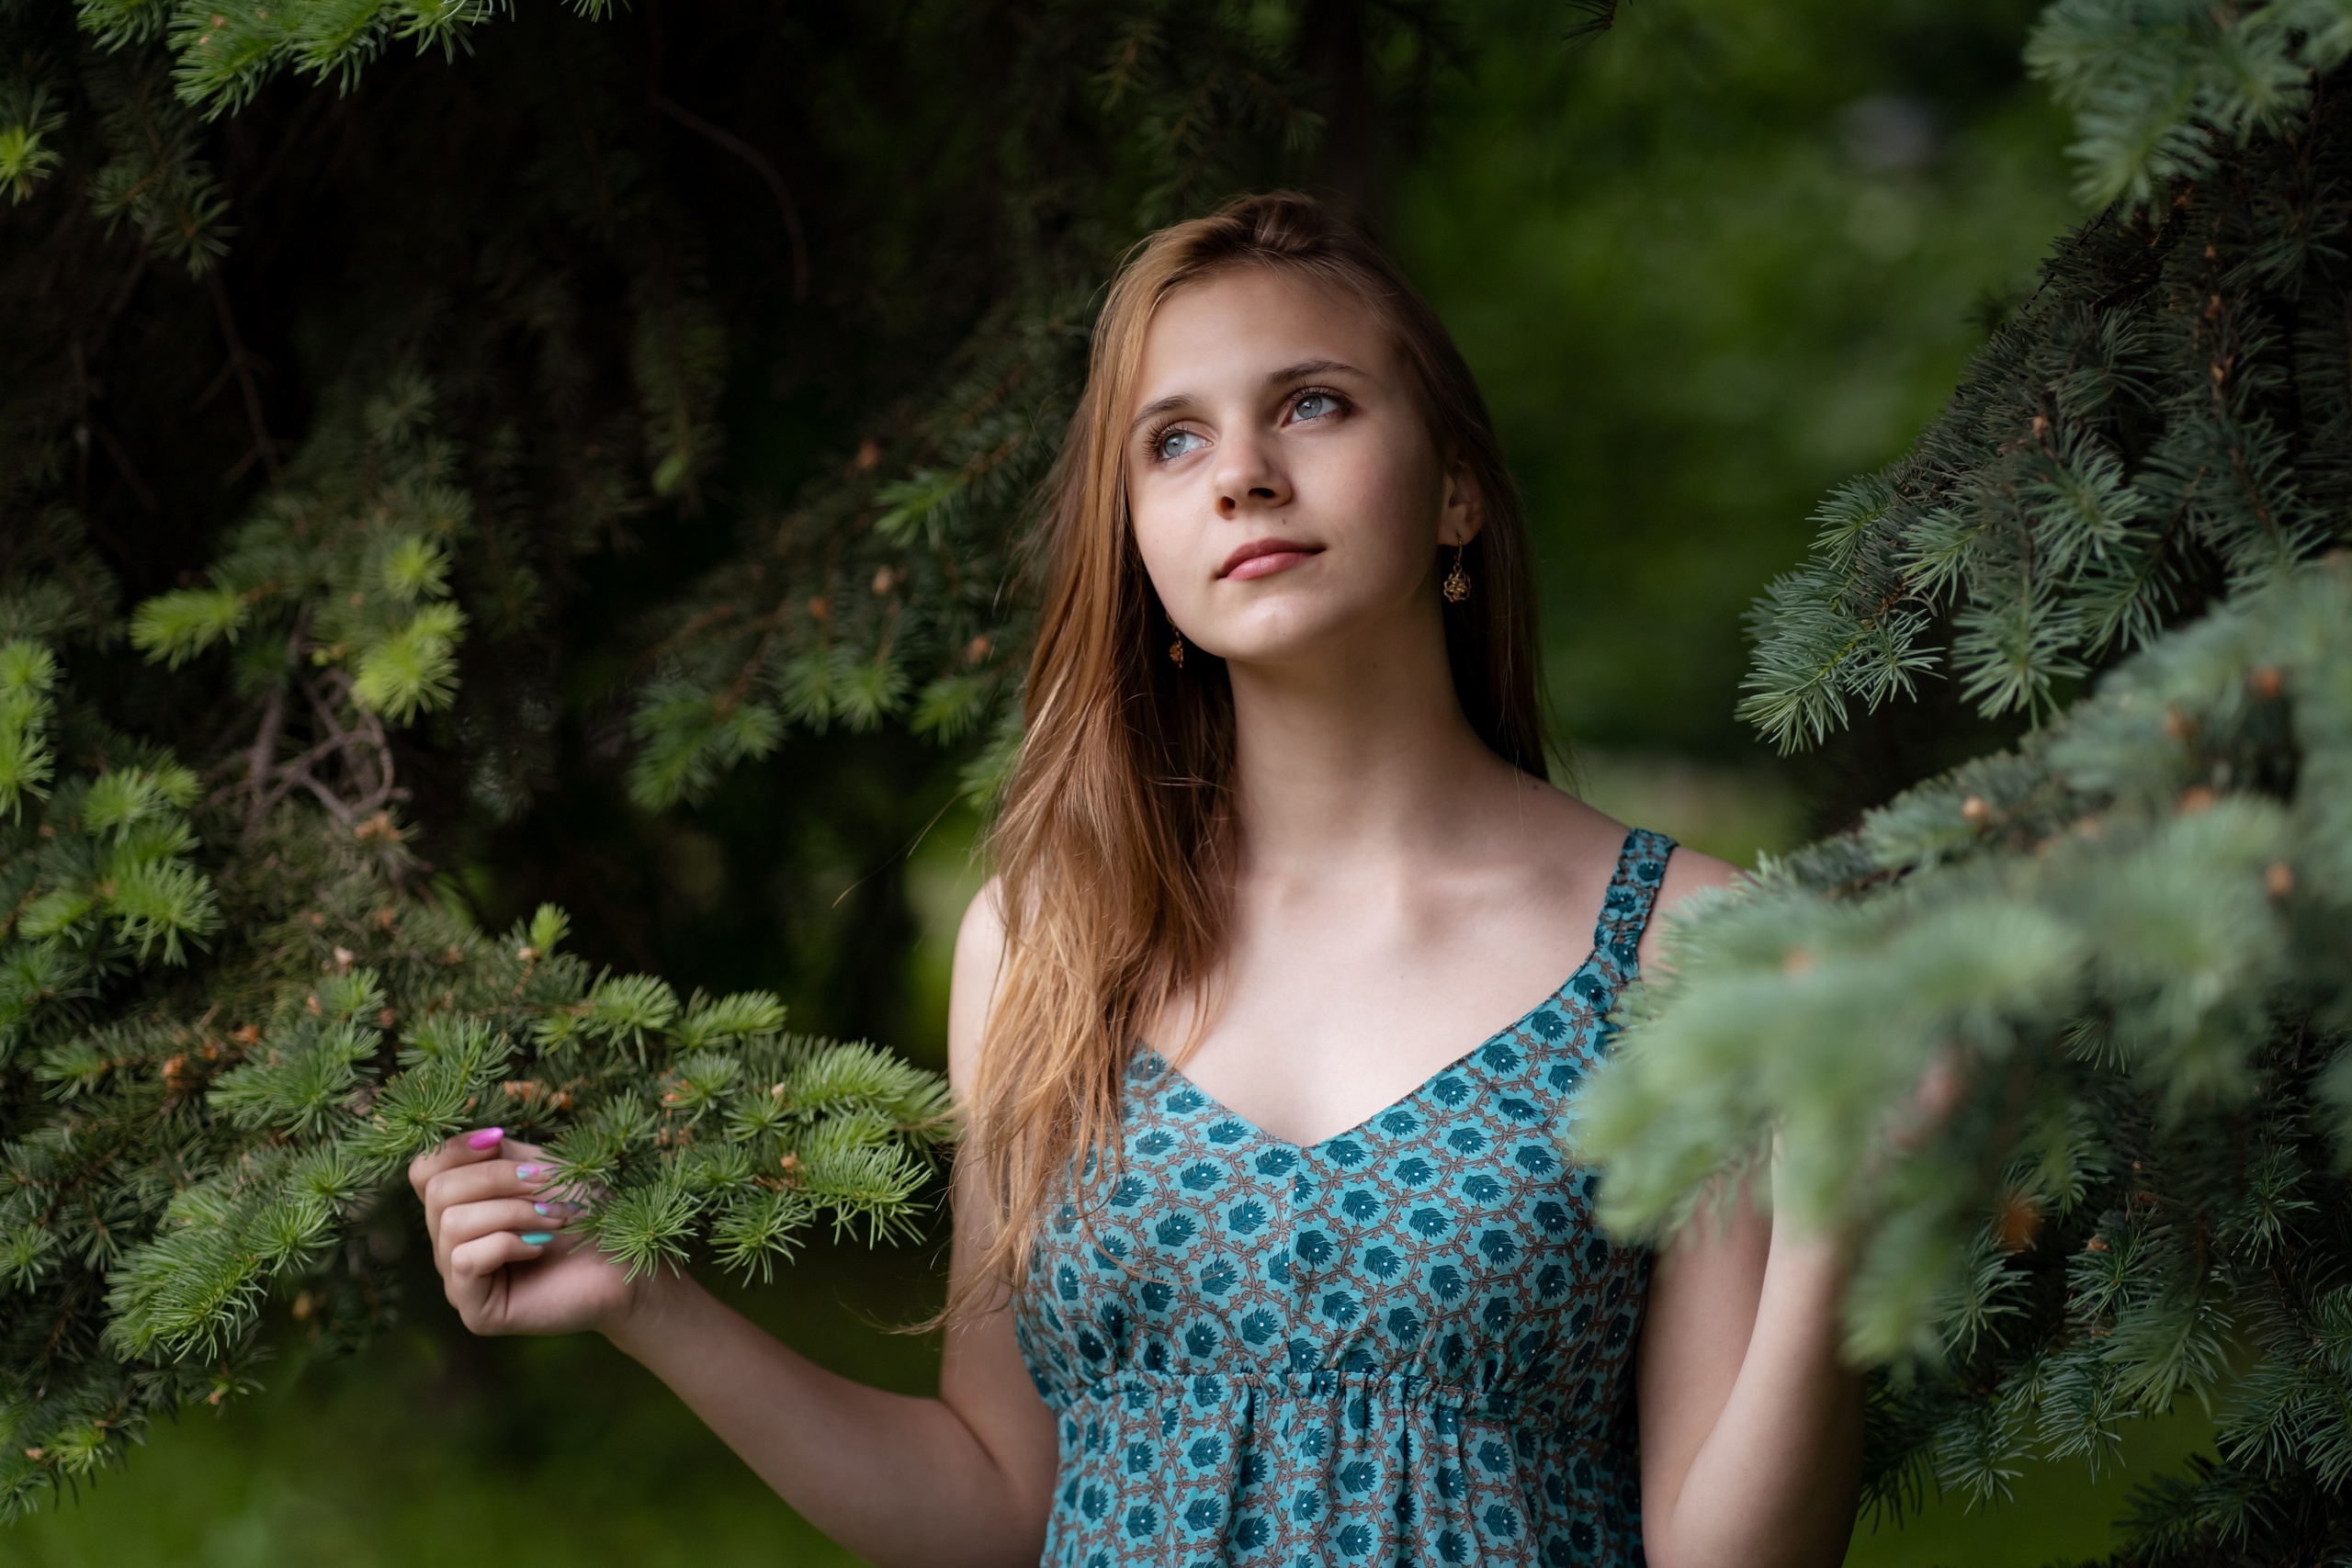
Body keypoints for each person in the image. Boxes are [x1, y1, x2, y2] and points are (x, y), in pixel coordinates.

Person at [409, 192, 1862, 1568]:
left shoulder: (1690, 946)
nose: (1242, 472)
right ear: (1141, 540)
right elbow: (1000, 1504)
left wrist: (1836, 1219)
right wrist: (647, 1304)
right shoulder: (1046, 937)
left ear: (1458, 496)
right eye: (1173, 440)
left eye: (1313, 404)